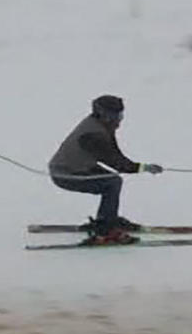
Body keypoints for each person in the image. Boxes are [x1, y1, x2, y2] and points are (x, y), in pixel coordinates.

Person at [49, 95, 163, 244]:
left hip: (77, 168)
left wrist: (139, 166)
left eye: (121, 115)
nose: (119, 119)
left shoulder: (100, 125)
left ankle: (109, 219)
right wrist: (143, 167)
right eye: (116, 115)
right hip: (66, 175)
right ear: (104, 115)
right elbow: (116, 163)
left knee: (112, 181)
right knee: (112, 183)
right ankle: (105, 230)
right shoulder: (93, 134)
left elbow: (115, 155)